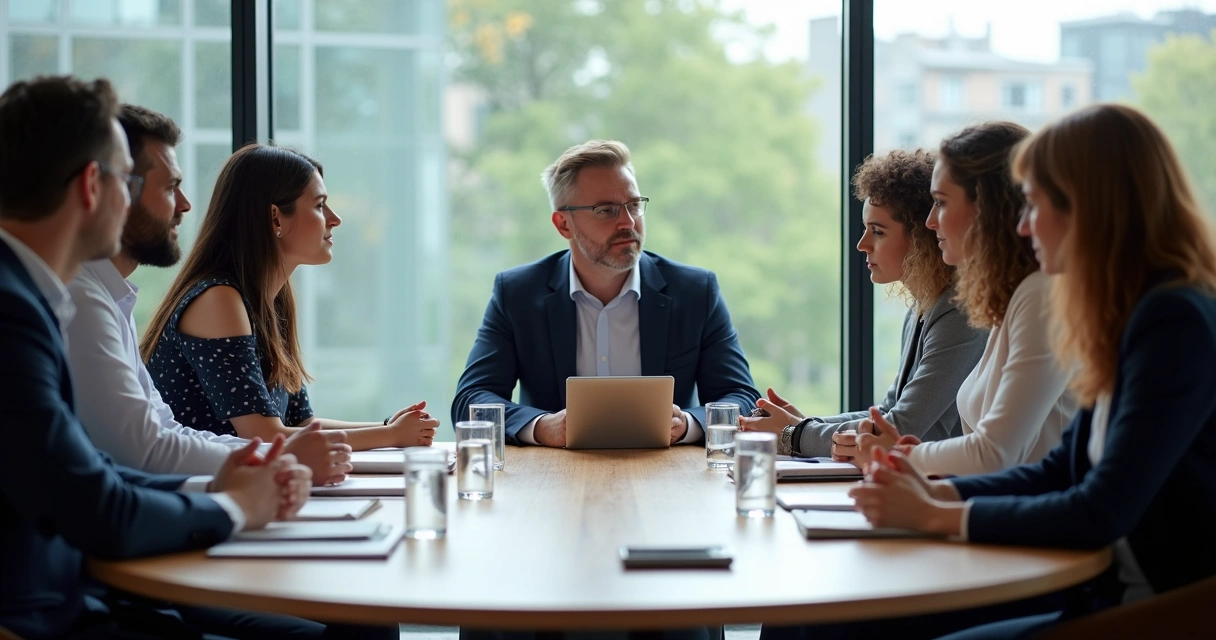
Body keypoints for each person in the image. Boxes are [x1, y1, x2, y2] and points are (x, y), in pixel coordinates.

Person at [0, 75, 400, 640]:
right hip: (48, 608)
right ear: (94, 184)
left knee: (365, 618)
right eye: (141, 182)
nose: (186, 205)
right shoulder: (19, 310)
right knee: (357, 623)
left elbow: (101, 465)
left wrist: (229, 484)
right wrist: (236, 504)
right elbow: (102, 488)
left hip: (79, 581)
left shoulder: (52, 295)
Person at [850, 103, 1216, 639]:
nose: (1021, 224)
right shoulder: (1130, 311)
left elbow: (1100, 509)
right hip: (1103, 587)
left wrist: (935, 514)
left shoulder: (1173, 319)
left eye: (1034, 205)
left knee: (855, 624)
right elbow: (1063, 470)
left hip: (1152, 606)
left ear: (1091, 208)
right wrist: (933, 494)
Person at [64, 103, 351, 483]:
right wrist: (276, 461)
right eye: (170, 187)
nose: (185, 205)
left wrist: (275, 458)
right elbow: (144, 451)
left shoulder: (113, 298)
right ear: (97, 189)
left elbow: (167, 433)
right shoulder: (84, 302)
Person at [452, 139, 760, 447]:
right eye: (606, 210)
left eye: (634, 205)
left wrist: (688, 424)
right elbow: (471, 401)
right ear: (563, 224)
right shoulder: (517, 294)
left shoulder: (695, 292)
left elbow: (743, 398)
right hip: (552, 480)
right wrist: (543, 426)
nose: (628, 222)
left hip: (667, 479)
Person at [140, 143, 439, 450]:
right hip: (204, 488)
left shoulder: (270, 300)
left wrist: (389, 427)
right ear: (275, 219)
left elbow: (300, 424)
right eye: (320, 205)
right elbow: (264, 435)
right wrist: (390, 436)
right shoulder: (219, 299)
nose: (334, 219)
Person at [846, 122, 1077, 476]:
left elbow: (993, 455)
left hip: (1029, 523)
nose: (930, 221)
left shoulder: (1039, 295)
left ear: (986, 209)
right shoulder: (1009, 299)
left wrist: (898, 458)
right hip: (999, 511)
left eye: (940, 203)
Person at [740, 149, 986, 458]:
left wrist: (793, 434)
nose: (862, 244)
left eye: (878, 232)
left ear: (923, 237)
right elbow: (887, 411)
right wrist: (799, 425)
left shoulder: (958, 313)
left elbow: (899, 426)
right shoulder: (924, 307)